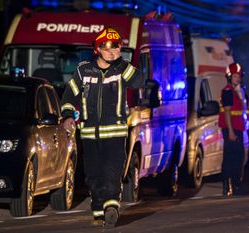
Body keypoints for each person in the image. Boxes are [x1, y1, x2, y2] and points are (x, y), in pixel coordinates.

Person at [60, 27, 143, 228]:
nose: (112, 51)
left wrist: (123, 63)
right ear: (97, 49)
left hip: (115, 133)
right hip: (89, 135)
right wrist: (68, 116)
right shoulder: (84, 70)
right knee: (93, 175)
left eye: (116, 47)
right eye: (107, 47)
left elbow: (139, 80)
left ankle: (111, 207)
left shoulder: (122, 69)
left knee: (112, 171)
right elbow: (69, 96)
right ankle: (98, 211)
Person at [218, 62, 248, 196]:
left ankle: (232, 185)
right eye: (235, 76)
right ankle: (232, 185)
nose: (238, 78)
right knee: (233, 157)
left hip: (237, 128)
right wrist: (230, 131)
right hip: (232, 129)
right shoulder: (228, 91)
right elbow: (227, 112)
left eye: (239, 76)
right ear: (230, 77)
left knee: (236, 156)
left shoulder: (235, 91)